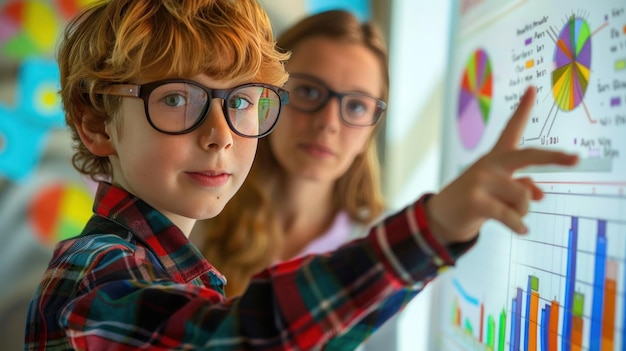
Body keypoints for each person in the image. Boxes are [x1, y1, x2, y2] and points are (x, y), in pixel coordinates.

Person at [24, 0, 578, 350]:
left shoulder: (174, 264)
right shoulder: (94, 273)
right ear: (98, 125)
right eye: (175, 98)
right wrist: (432, 228)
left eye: (242, 102)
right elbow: (243, 335)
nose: (220, 133)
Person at [191, 9, 388, 298]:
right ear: (264, 99)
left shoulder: (387, 244)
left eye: (357, 106)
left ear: (371, 128)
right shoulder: (195, 214)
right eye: (308, 92)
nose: (328, 123)